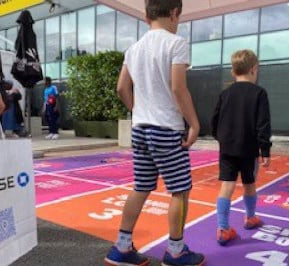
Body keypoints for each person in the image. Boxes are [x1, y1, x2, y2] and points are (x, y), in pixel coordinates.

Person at [104, 1, 205, 265]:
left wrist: (138, 110)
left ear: (146, 15)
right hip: (166, 130)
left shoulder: (133, 49)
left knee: (141, 187)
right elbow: (178, 88)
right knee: (180, 190)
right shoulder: (176, 43)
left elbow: (121, 88)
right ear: (174, 13)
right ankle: (175, 251)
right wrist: (194, 124)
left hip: (140, 129)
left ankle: (122, 247)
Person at [210, 49, 272, 246]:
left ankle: (222, 228)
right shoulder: (259, 93)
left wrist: (221, 138)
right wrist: (265, 150)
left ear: (233, 71)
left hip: (227, 148)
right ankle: (250, 217)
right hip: (248, 148)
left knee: (226, 186)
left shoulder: (225, 93)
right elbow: (263, 124)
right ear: (254, 69)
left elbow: (214, 120)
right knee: (249, 183)